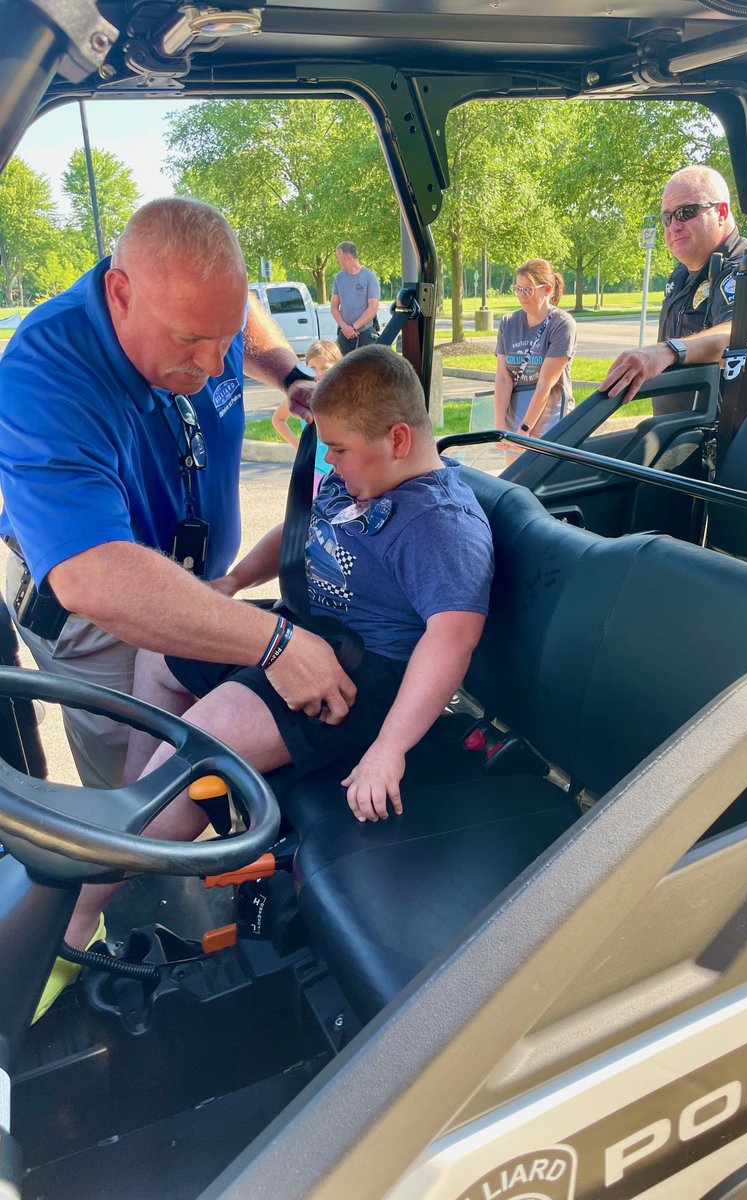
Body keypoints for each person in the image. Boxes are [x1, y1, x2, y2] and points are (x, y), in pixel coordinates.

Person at [52, 345, 493, 992]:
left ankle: (73, 923)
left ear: (398, 438)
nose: (331, 462)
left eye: (339, 449)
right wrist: (231, 584)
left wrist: (390, 750)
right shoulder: (364, 477)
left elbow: (450, 643)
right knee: (159, 654)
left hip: (360, 684)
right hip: (299, 636)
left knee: (209, 735)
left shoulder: (439, 524)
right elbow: (298, 531)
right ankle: (132, 815)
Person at [0, 198, 357, 794]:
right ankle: (138, 886)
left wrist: (289, 374)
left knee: (200, 771)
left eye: (226, 339)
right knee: (137, 799)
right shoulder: (44, 375)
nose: (217, 364)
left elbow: (239, 312)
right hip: (102, 613)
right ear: (120, 294)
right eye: (191, 340)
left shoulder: (201, 311)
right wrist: (276, 644)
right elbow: (91, 575)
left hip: (196, 586)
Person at [599, 165, 747, 413]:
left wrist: (668, 351)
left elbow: (738, 334)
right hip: (679, 435)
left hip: (731, 441)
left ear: (721, 212)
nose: (673, 226)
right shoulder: (682, 274)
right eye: (667, 217)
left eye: (685, 212)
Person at [493, 258, 577, 440]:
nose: (521, 296)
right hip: (514, 417)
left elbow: (545, 384)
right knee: (514, 469)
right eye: (518, 289)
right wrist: (500, 428)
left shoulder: (562, 325)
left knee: (541, 468)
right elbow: (503, 378)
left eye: (528, 290)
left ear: (547, 289)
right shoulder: (508, 323)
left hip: (550, 419)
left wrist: (525, 429)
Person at [271, 338, 341, 492]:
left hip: (341, 469)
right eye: (312, 367)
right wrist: (299, 445)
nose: (318, 373)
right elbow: (278, 419)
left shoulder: (344, 396)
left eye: (325, 368)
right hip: (314, 469)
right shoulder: (303, 395)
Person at [330, 242, 381, 355]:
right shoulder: (338, 278)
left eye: (338, 256)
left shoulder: (369, 276)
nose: (337, 260)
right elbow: (334, 307)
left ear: (347, 256)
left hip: (365, 334)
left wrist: (354, 327)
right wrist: (346, 328)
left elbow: (373, 308)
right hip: (344, 335)